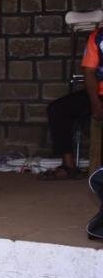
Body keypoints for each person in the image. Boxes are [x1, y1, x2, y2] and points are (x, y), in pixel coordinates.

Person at [42, 23, 102, 180]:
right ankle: (69, 166)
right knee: (58, 109)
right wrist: (95, 102)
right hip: (99, 94)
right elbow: (89, 72)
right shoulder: (98, 37)